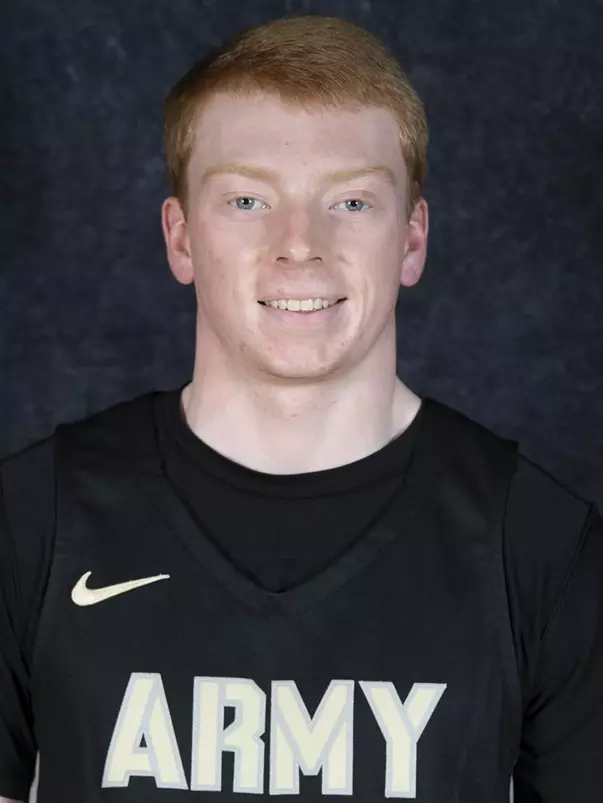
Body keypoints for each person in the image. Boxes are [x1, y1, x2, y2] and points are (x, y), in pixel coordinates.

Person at [1, 13, 601, 803]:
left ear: (412, 238)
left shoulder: (543, 547)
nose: (299, 245)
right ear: (180, 238)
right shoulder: (30, 517)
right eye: (247, 200)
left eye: (351, 203)